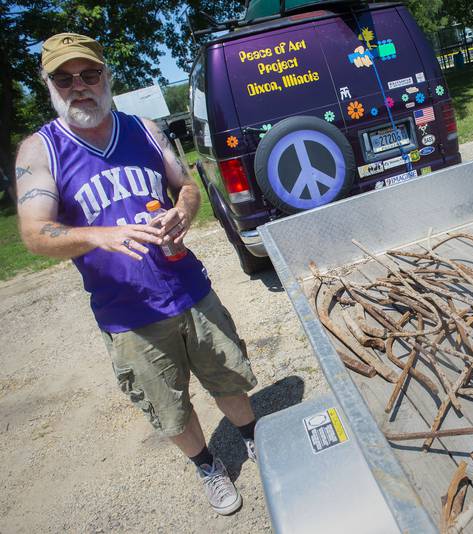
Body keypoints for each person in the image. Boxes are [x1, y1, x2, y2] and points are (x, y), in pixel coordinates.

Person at [14, 33, 259, 516]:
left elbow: (186, 186)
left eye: (89, 75)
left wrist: (184, 211)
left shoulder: (144, 129)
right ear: (49, 85)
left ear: (106, 77)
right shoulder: (40, 151)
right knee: (168, 406)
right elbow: (34, 232)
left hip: (189, 288)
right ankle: (208, 465)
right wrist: (96, 235)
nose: (79, 87)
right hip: (127, 313)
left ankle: (255, 438)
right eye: (64, 79)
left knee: (227, 374)